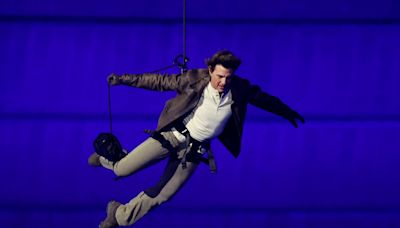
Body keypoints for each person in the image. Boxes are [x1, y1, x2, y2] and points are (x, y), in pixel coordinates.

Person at [88, 50, 304, 227]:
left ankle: (120, 214)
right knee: (122, 169)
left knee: (165, 193)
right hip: (172, 136)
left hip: (195, 150)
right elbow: (159, 81)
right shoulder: (194, 79)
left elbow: (264, 99)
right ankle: (104, 160)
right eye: (219, 76)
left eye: (228, 77)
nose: (223, 82)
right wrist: (124, 79)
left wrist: (286, 112)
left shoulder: (238, 88)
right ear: (210, 71)